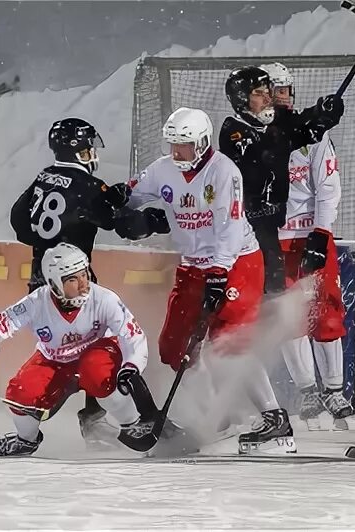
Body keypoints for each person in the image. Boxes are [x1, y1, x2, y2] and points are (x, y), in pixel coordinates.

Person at [115, 106, 296, 454]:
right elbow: (133, 193)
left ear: (200, 142)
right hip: (193, 266)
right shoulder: (163, 168)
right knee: (174, 347)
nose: (175, 152)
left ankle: (274, 419)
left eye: (182, 145)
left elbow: (228, 228)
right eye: (172, 145)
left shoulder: (224, 172)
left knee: (229, 342)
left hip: (237, 262)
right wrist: (117, 206)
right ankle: (215, 417)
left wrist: (218, 273)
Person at [9, 118, 136, 446]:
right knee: (97, 348)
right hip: (74, 283)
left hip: (41, 281)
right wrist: (134, 211)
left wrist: (46, 244)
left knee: (63, 351)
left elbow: (19, 220)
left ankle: (53, 411)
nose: (93, 153)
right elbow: (116, 223)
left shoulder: (43, 177)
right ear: (79, 150)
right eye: (89, 147)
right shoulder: (87, 185)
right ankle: (90, 418)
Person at [0, 244, 161, 457]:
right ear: (54, 285)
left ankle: (131, 423)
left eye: (84, 274)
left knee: (97, 371)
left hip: (98, 355)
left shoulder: (105, 299)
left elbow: (132, 335)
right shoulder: (36, 303)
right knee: (20, 394)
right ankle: (25, 440)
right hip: (54, 361)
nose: (83, 285)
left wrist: (131, 367)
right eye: (72, 280)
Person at [260, 62, 352, 429]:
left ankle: (333, 388)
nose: (282, 97)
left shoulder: (312, 134)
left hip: (309, 236)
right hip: (272, 240)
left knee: (325, 309)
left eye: (286, 90)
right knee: (287, 315)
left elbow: (328, 189)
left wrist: (321, 233)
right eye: (274, 91)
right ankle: (307, 388)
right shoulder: (251, 135)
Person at [218, 65, 344, 295]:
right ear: (241, 99)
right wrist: (307, 130)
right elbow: (271, 147)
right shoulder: (234, 131)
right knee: (257, 296)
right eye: (259, 93)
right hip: (246, 232)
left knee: (275, 290)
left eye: (269, 90)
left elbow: (295, 125)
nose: (269, 97)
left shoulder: (268, 126)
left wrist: (323, 115)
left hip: (268, 228)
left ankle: (275, 328)